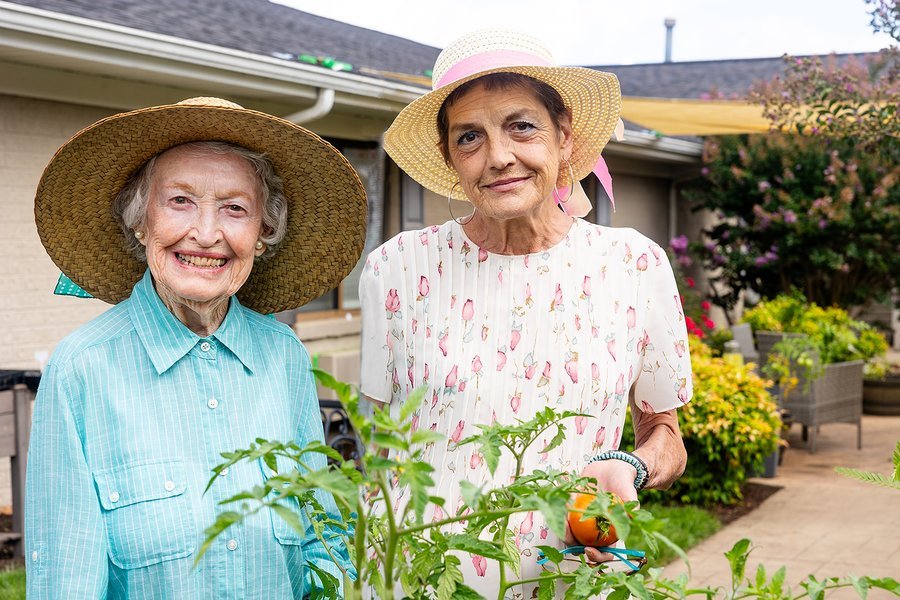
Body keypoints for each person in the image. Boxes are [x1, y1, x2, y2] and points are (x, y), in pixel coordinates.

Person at [360, 29, 692, 597]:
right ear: (450, 159)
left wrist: (627, 468)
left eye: (522, 125)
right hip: (416, 579)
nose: (499, 156)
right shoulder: (397, 269)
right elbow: (376, 448)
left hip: (573, 573)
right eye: (470, 137)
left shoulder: (634, 264)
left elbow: (664, 434)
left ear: (565, 137)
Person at [26, 97, 367, 598]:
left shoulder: (283, 355)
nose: (207, 235)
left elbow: (324, 542)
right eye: (180, 201)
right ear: (141, 222)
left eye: (235, 209)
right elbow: (66, 579)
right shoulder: (82, 368)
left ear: (262, 234)